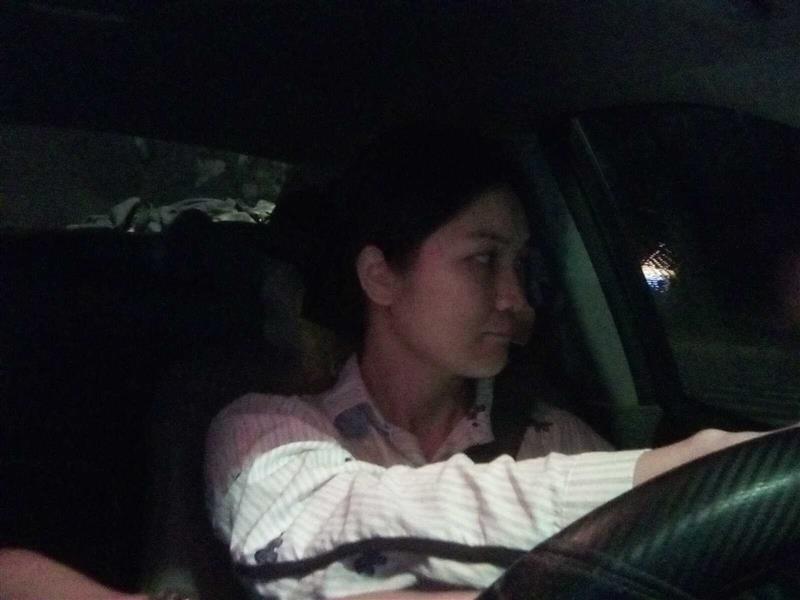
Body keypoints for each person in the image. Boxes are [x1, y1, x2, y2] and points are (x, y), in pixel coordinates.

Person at [203, 125, 776, 600]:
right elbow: (319, 527)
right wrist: (669, 475)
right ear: (380, 277)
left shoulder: (551, 436)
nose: (515, 299)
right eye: (482, 259)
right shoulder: (266, 431)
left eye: (519, 265)